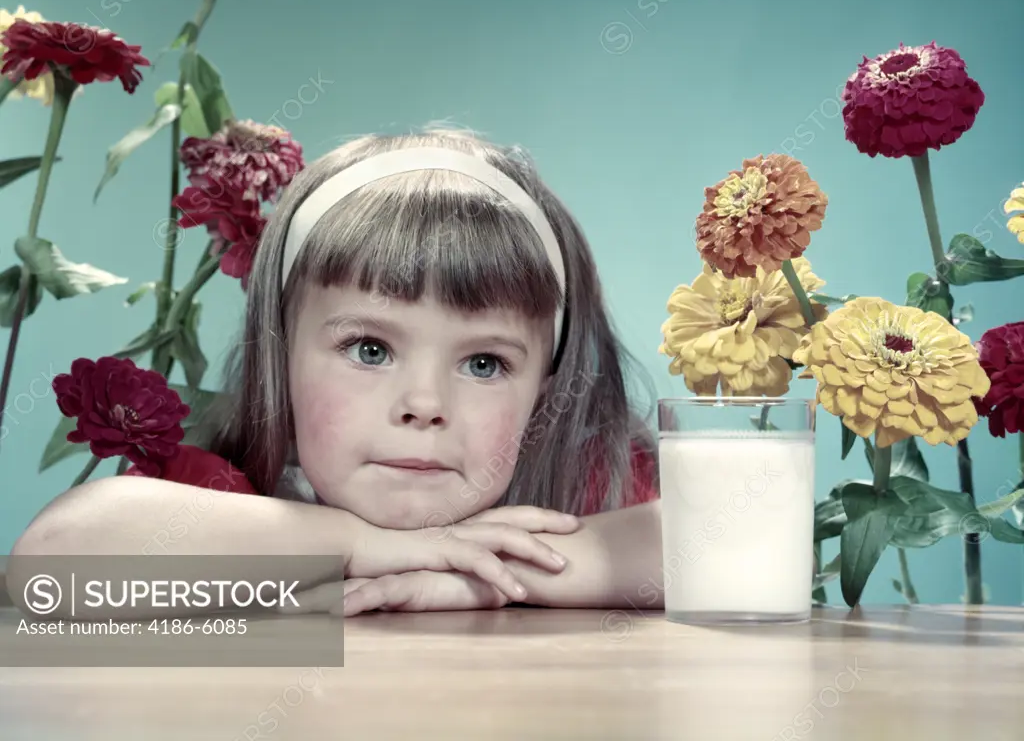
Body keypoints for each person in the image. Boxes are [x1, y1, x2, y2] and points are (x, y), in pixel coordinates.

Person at [11, 128, 665, 617]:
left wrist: (505, 567)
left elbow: (746, 543)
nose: (423, 403)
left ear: (542, 395)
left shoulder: (588, 488)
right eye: (370, 349)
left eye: (485, 363)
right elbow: (50, 565)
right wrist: (353, 544)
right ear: (282, 357)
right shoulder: (229, 492)